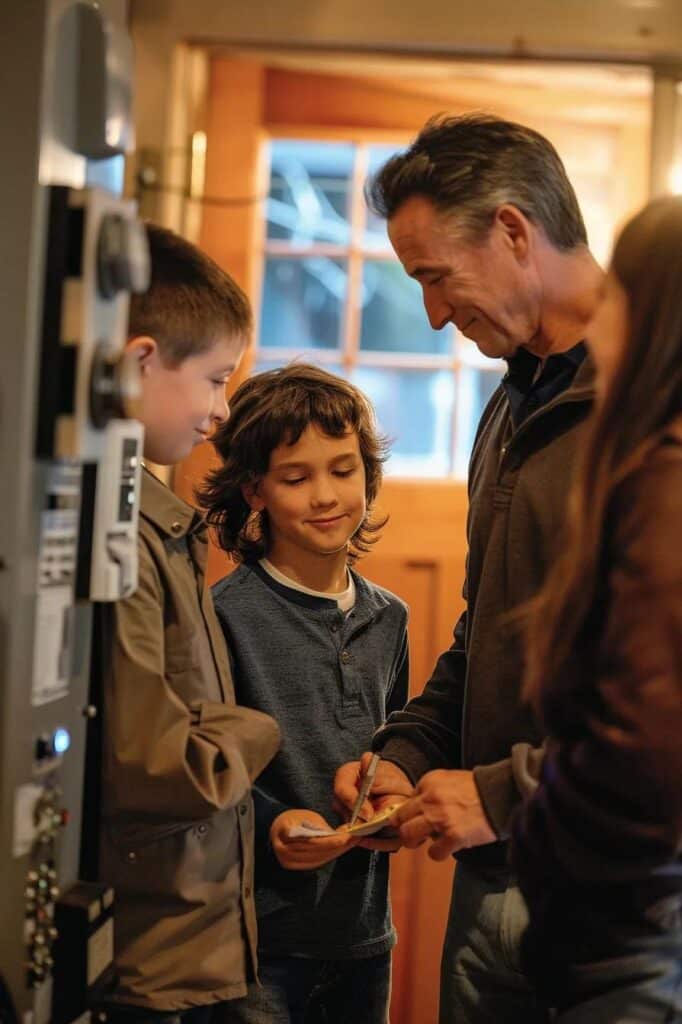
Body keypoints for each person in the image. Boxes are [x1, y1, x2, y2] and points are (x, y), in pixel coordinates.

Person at [333, 113, 603, 1024]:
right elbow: (486, 630)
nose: (434, 315)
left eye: (434, 276)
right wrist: (405, 752)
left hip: (620, 907)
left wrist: (499, 793)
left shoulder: (655, 401)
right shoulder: (512, 402)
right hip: (491, 886)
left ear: (513, 231)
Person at [97, 225, 281, 1022]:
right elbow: (163, 763)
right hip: (148, 954)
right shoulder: (125, 534)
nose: (221, 409)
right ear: (141, 362)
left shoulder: (157, 518)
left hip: (180, 943)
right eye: (213, 378)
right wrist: (256, 729)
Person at [512, 196, 682, 1022]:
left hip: (636, 923)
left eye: (614, 292)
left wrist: (545, 828)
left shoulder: (665, 485)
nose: (596, 309)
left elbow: (651, 742)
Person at [198, 363, 410, 1024]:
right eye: (296, 478)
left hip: (363, 937)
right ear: (254, 491)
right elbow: (204, 769)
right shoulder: (224, 616)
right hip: (255, 943)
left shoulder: (390, 618)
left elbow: (393, 747)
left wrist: (394, 803)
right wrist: (272, 823)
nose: (325, 496)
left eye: (343, 470)